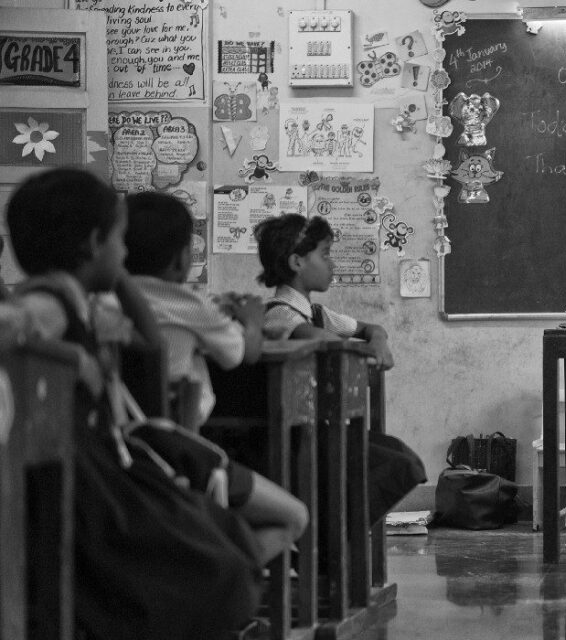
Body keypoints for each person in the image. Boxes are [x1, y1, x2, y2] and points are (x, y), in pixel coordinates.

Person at [3, 168, 261, 639]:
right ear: (92, 243)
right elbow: (9, 325)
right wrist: (70, 356)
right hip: (80, 480)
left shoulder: (83, 302)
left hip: (100, 468)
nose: (126, 254)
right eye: (120, 241)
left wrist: (117, 278)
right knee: (210, 568)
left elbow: (147, 345)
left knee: (222, 545)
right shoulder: (49, 304)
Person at [124, 191, 309, 562]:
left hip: (118, 447)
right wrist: (251, 321)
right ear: (181, 260)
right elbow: (242, 354)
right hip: (178, 449)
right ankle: (220, 578)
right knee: (293, 518)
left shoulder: (98, 305)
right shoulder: (189, 304)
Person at [254, 213, 426, 525]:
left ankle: (336, 534)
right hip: (293, 437)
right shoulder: (280, 315)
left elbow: (372, 328)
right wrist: (367, 350)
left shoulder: (316, 312)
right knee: (396, 465)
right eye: (325, 254)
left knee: (404, 460)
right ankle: (332, 538)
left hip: (320, 426)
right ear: (297, 262)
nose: (332, 264)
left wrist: (379, 342)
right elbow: (328, 343)